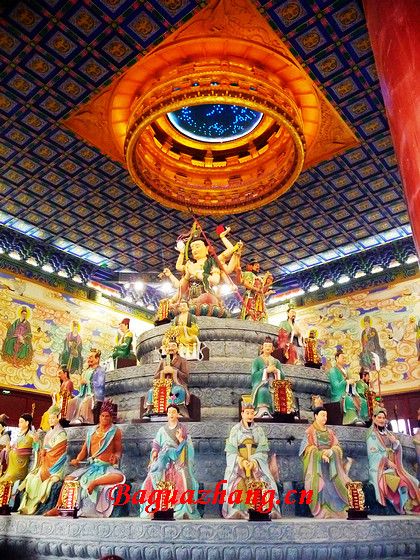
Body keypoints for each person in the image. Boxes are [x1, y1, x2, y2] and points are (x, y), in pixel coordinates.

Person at [46, 401, 125, 518]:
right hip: (92, 466)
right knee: (69, 479)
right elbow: (84, 450)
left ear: (111, 418)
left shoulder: (115, 431)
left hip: (105, 467)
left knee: (119, 477)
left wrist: (116, 457)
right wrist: (77, 459)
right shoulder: (92, 431)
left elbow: (118, 450)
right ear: (99, 416)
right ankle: (59, 507)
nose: (104, 418)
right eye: (102, 416)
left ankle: (95, 483)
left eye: (107, 416)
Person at [139, 404, 200, 520]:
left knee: (183, 478)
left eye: (173, 412)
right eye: (169, 412)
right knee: (150, 479)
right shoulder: (162, 430)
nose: (171, 414)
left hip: (178, 460)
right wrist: (154, 453)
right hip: (163, 460)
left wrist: (181, 440)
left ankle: (179, 509)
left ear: (178, 414)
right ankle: (153, 507)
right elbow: (156, 445)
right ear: (167, 414)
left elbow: (187, 446)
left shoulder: (182, 429)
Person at [222, 403, 281, 519]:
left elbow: (263, 450)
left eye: (252, 413)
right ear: (242, 414)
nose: (250, 415)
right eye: (247, 413)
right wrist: (241, 461)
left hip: (256, 465)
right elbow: (231, 452)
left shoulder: (259, 430)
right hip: (239, 466)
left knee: (264, 483)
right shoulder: (235, 430)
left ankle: (265, 509)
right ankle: (240, 510)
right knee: (238, 484)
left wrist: (254, 462)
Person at [299, 407, 352, 518]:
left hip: (331, 466)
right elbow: (307, 449)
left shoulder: (330, 432)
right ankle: (323, 509)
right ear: (315, 416)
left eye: (326, 415)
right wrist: (320, 454)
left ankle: (339, 509)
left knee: (336, 485)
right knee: (321, 485)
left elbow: (337, 447)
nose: (325, 418)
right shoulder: (309, 431)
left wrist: (331, 451)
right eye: (322, 415)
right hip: (317, 467)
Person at [366, 406, 420, 514]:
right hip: (379, 470)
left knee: (413, 481)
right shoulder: (372, 435)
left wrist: (395, 443)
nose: (382, 420)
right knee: (400, 483)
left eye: (383, 418)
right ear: (374, 418)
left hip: (393, 467)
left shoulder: (388, 434)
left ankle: (408, 506)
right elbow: (373, 454)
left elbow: (396, 449)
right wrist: (386, 461)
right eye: (379, 417)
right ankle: (399, 506)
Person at [19, 406, 68, 515]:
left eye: (53, 418)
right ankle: (28, 506)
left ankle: (35, 506)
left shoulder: (61, 433)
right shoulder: (49, 433)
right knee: (31, 479)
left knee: (44, 482)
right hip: (45, 463)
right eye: (49, 418)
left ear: (58, 418)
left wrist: (45, 452)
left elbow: (58, 452)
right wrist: (37, 442)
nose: (51, 420)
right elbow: (43, 448)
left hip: (55, 466)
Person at [145, 338, 190, 418]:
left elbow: (186, 377)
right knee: (151, 391)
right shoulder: (163, 361)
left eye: (173, 346)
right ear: (166, 349)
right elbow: (155, 377)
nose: (171, 348)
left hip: (176, 384)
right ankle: (150, 410)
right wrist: (162, 372)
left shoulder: (182, 361)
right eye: (169, 346)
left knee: (178, 391)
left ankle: (177, 410)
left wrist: (174, 371)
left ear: (177, 348)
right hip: (163, 384)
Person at [251, 337, 294, 419]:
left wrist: (276, 371)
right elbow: (254, 375)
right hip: (262, 383)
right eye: (266, 346)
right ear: (262, 348)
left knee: (288, 392)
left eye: (269, 346)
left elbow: (283, 375)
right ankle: (263, 410)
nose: (267, 347)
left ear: (272, 349)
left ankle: (289, 411)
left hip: (274, 383)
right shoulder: (257, 361)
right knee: (263, 391)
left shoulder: (276, 361)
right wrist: (265, 371)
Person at [0, 413, 34, 506]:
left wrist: (10, 450)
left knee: (5, 480)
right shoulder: (19, 434)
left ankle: (6, 503)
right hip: (13, 465)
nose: (19, 424)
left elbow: (23, 452)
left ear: (27, 423)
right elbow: (15, 448)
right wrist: (8, 449)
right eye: (19, 422)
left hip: (20, 465)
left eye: (21, 422)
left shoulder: (30, 436)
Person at [328, 350, 369, 425]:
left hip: (349, 392)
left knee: (363, 401)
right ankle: (351, 418)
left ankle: (363, 419)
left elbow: (352, 383)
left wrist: (353, 383)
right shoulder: (333, 371)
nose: (344, 359)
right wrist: (346, 382)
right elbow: (336, 386)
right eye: (342, 357)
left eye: (345, 358)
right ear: (337, 358)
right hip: (339, 394)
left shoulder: (347, 371)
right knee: (349, 399)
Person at [67, 348, 106, 425]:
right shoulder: (86, 371)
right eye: (88, 357)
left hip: (94, 394)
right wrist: (81, 383)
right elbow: (81, 385)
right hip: (83, 393)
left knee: (86, 401)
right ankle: (69, 419)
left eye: (91, 357)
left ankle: (83, 418)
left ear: (97, 359)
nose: (89, 359)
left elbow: (100, 384)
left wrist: (88, 382)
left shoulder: (100, 371)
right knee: (72, 401)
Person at [40, 367, 74, 431]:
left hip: (64, 403)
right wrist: (54, 394)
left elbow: (67, 394)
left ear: (65, 373)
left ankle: (48, 429)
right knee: (46, 414)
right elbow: (60, 394)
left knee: (49, 414)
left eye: (60, 373)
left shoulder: (69, 382)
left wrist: (57, 394)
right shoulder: (63, 382)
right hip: (59, 402)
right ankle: (46, 429)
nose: (58, 375)